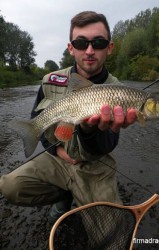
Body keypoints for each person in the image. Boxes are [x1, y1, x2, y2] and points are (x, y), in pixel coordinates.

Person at [0, 11, 137, 224]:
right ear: (71, 48)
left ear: (109, 48)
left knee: (112, 236)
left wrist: (89, 131)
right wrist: (56, 149)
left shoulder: (119, 91)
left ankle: (80, 193)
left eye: (98, 43)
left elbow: (108, 144)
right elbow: (37, 116)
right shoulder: (50, 80)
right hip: (57, 158)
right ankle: (64, 194)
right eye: (81, 43)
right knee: (10, 186)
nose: (90, 50)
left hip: (95, 164)